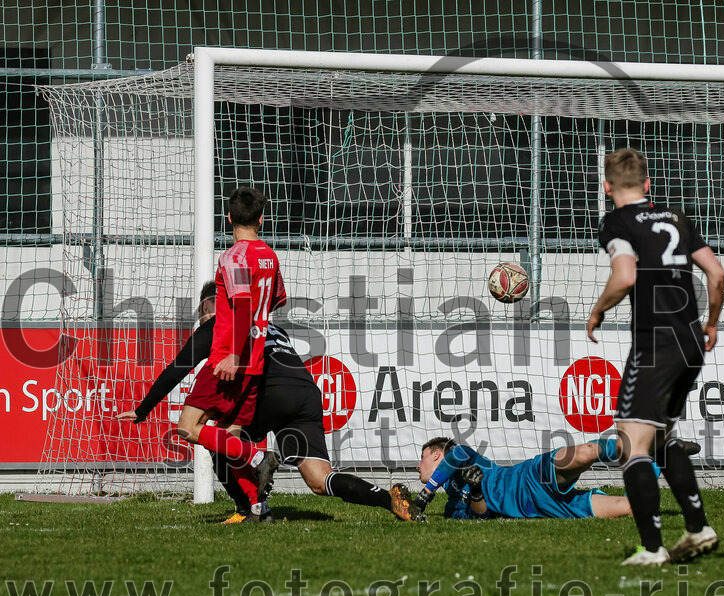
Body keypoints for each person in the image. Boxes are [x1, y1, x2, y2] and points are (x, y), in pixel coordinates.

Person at [117, 281, 421, 523]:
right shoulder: (271, 327)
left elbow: (178, 368)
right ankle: (388, 498)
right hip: (304, 392)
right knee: (319, 480)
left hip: (268, 390)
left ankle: (251, 509)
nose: (202, 317)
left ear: (210, 304)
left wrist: (144, 409)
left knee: (220, 438)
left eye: (202, 310)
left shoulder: (220, 324)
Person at [587, 147, 724, 566]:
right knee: (661, 436)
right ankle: (698, 527)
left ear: (607, 187)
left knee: (632, 444)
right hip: (690, 342)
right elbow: (717, 273)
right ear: (648, 185)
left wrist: (598, 310)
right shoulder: (677, 218)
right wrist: (713, 323)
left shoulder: (616, 221)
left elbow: (625, 275)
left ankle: (652, 549)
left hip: (654, 345)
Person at [175, 186, 287, 517]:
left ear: (228, 218)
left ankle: (258, 457)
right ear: (262, 220)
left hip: (229, 358)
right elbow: (277, 298)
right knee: (229, 435)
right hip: (256, 360)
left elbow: (240, 305)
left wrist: (233, 354)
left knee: (188, 427)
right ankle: (257, 506)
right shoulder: (269, 255)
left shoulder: (234, 257)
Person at [413, 437, 632, 520]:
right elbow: (480, 517)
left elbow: (457, 453)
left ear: (437, 455)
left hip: (530, 477)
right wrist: (477, 491)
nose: (417, 465)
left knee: (588, 452)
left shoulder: (465, 457)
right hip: (543, 508)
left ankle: (636, 449)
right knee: (628, 507)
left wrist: (424, 496)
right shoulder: (451, 505)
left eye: (422, 458)